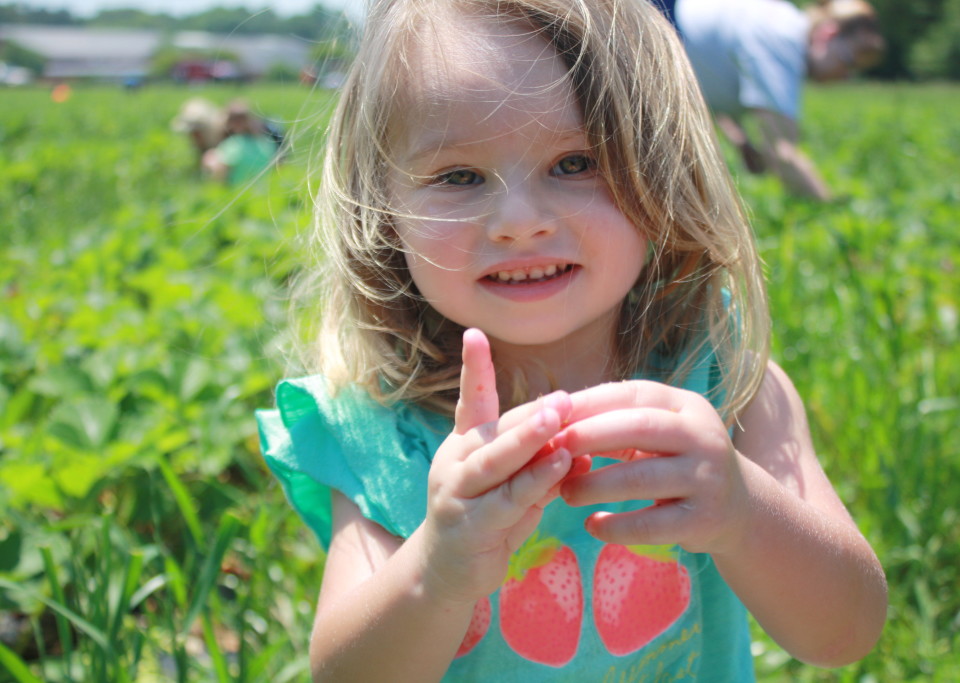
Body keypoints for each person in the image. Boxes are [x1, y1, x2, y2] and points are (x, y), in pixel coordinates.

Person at [255, 0, 888, 680]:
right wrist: (436, 570)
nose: (518, 221)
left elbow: (844, 631)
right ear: (382, 209)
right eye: (458, 176)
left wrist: (742, 510)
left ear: (663, 168)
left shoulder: (722, 377)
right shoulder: (383, 428)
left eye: (577, 162)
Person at [653, 0, 885, 201]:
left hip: (662, 32)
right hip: (652, 25)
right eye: (848, 62)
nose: (844, 77)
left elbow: (710, 71)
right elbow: (782, 153)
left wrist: (739, 140)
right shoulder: (782, 42)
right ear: (828, 34)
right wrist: (828, 209)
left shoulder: (781, 18)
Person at [201, 99, 279, 185]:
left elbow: (220, 171)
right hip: (265, 191)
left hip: (239, 192)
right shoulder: (266, 142)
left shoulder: (233, 145)